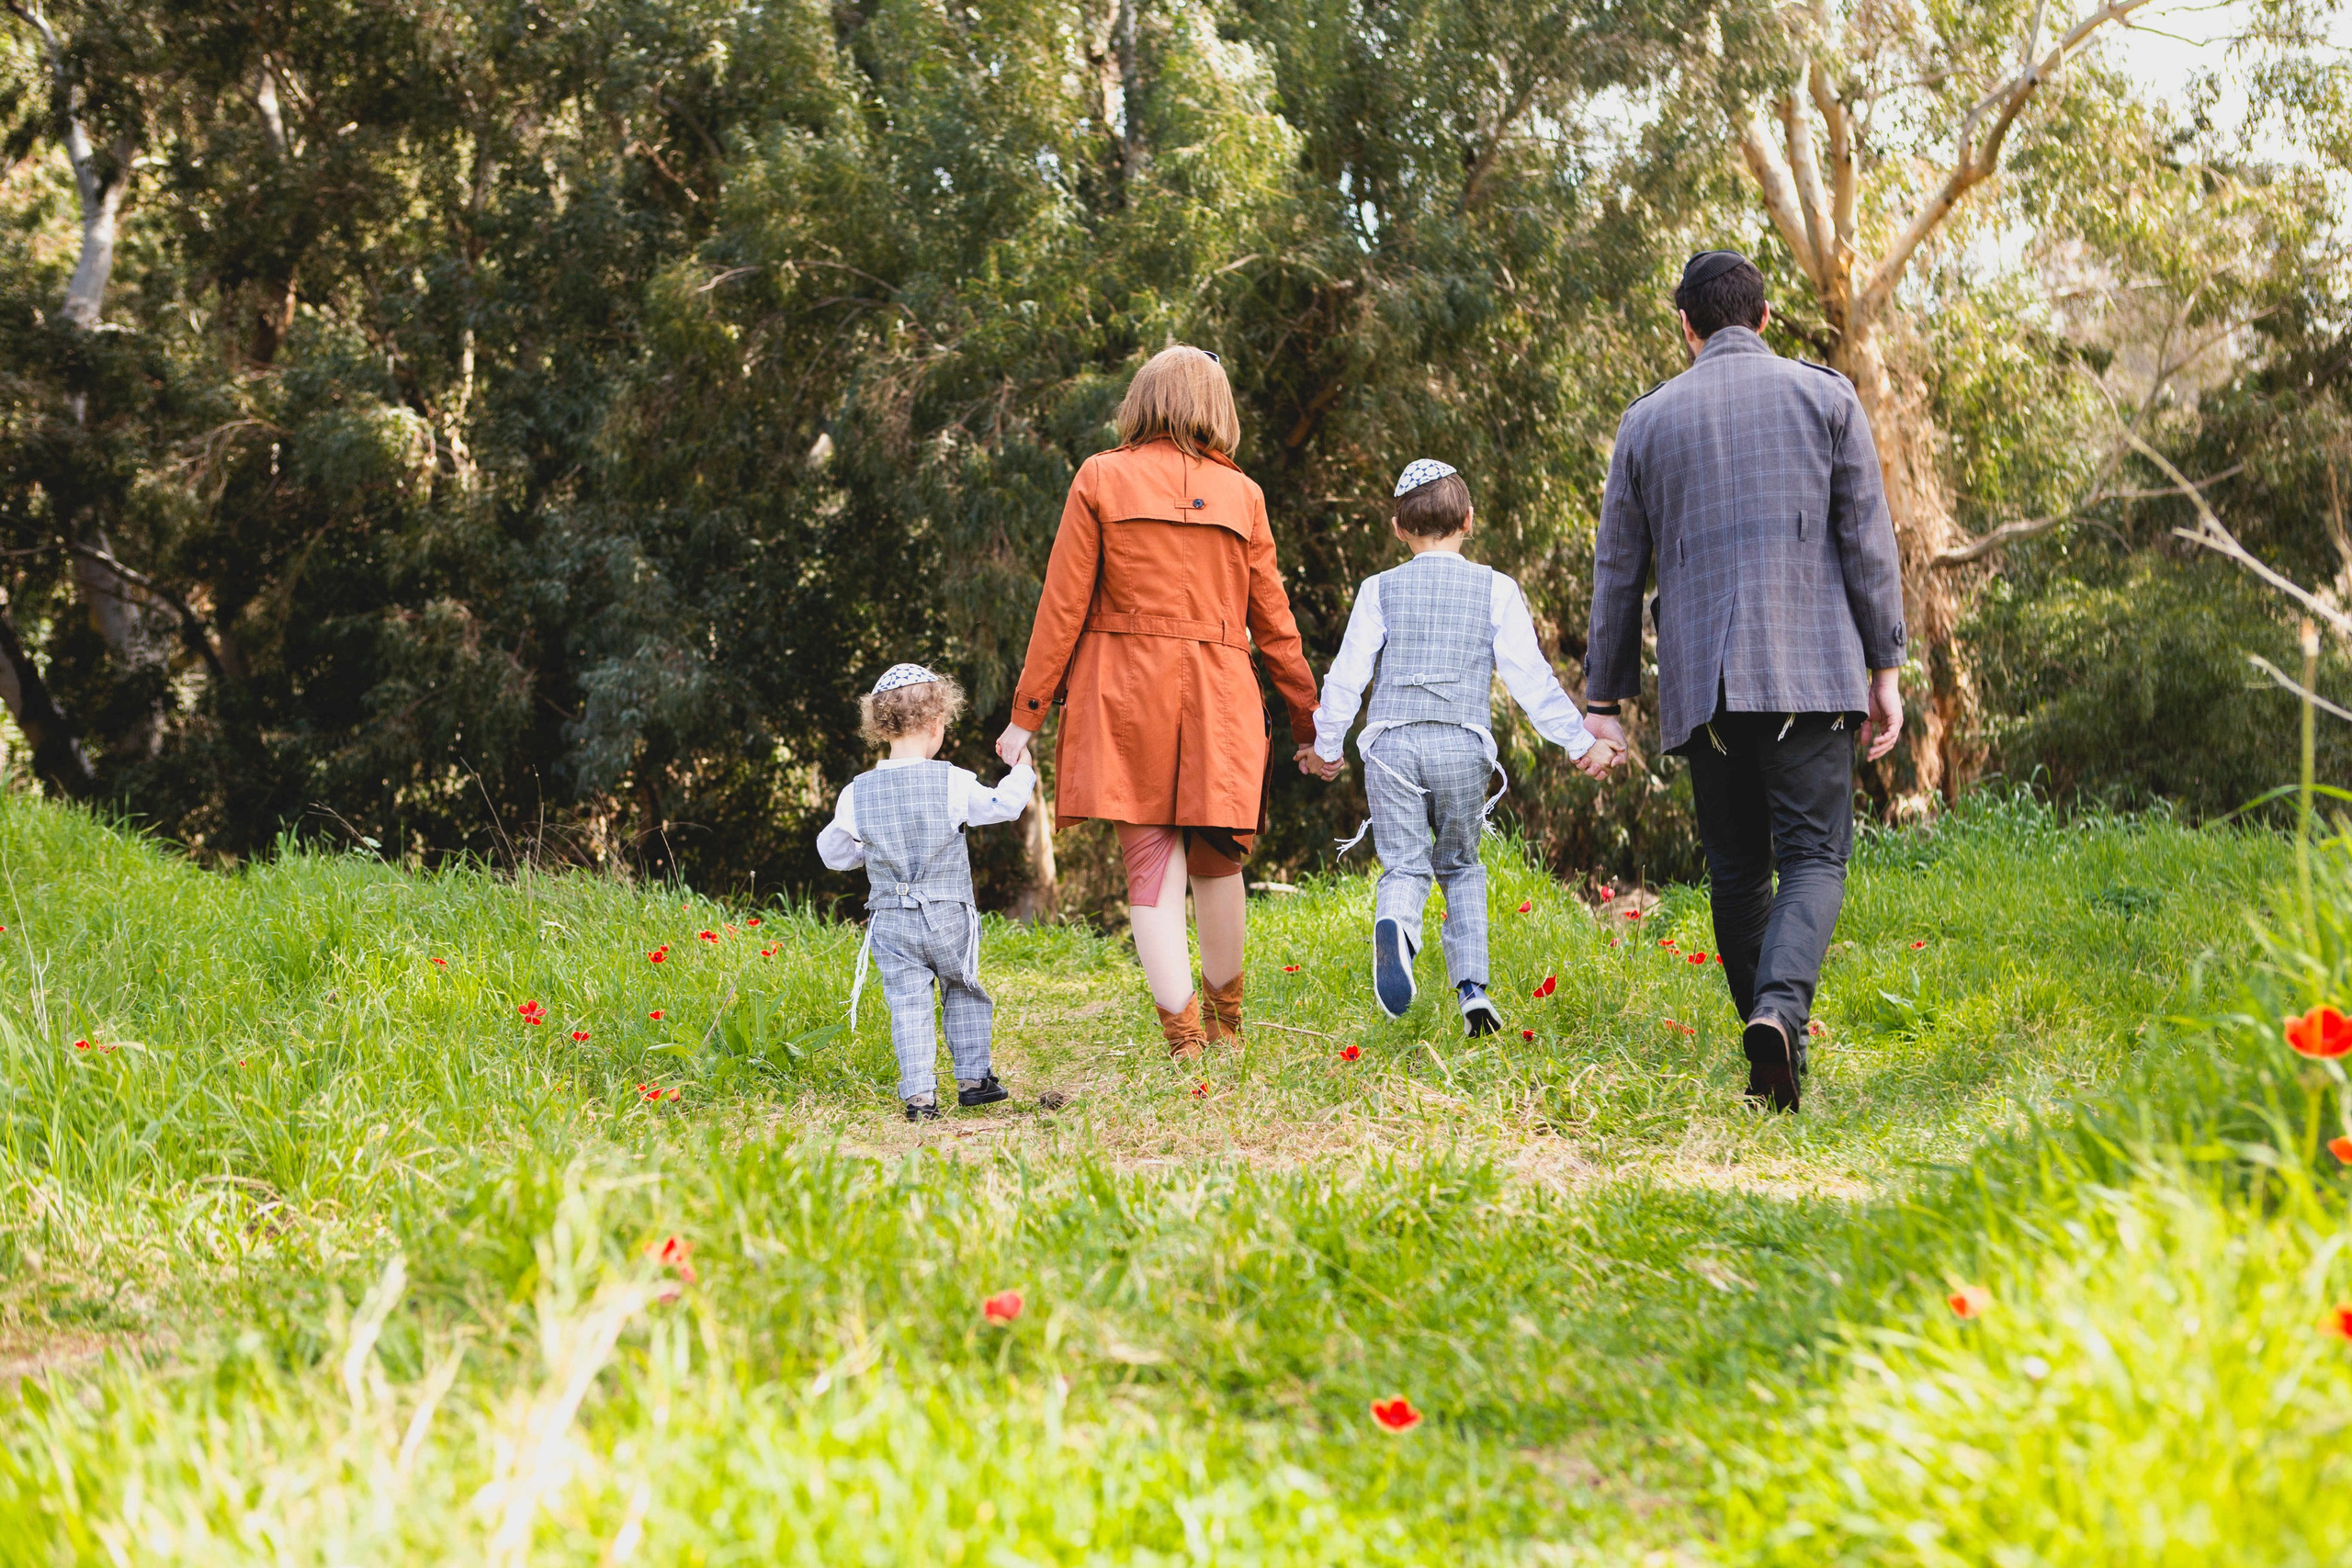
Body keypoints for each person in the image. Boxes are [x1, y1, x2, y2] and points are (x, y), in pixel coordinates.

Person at [1583, 250, 1906, 1112]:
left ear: (1686, 328)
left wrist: (1602, 704)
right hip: (1812, 673)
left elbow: (1616, 570)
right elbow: (1868, 544)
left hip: (1707, 687)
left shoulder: (1645, 422)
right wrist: (1887, 668)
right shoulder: (1827, 396)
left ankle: (1776, 1068)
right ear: (1765, 317)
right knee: (1813, 856)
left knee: (1736, 870)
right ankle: (1778, 1013)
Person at [997, 345, 1320, 1061]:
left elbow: (1061, 609)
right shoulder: (1244, 495)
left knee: (1150, 865)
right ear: (1218, 407)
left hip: (1124, 694)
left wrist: (1027, 715)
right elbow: (1275, 624)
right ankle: (1228, 1030)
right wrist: (1308, 724)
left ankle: (1183, 1046)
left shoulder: (1100, 477)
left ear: (1143, 398)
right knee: (1219, 861)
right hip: (1221, 696)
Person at [1309, 459, 1620, 1034]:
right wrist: (1581, 743)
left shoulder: (1379, 589)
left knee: (1404, 865)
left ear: (1398, 529)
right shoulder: (1496, 588)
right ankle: (1472, 988)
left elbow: (1346, 676)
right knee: (1461, 865)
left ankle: (1399, 930)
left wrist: (1328, 746)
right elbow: (1531, 678)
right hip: (1462, 747)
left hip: (1391, 748)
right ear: (1470, 521)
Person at [820, 663, 1035, 1121]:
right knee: (963, 989)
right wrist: (1024, 770)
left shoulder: (856, 792)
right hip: (948, 914)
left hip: (891, 919)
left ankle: (919, 1096)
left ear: (880, 727)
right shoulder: (952, 780)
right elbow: (1005, 805)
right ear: (937, 724)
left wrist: (868, 851)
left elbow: (834, 852)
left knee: (906, 1001)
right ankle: (975, 1080)